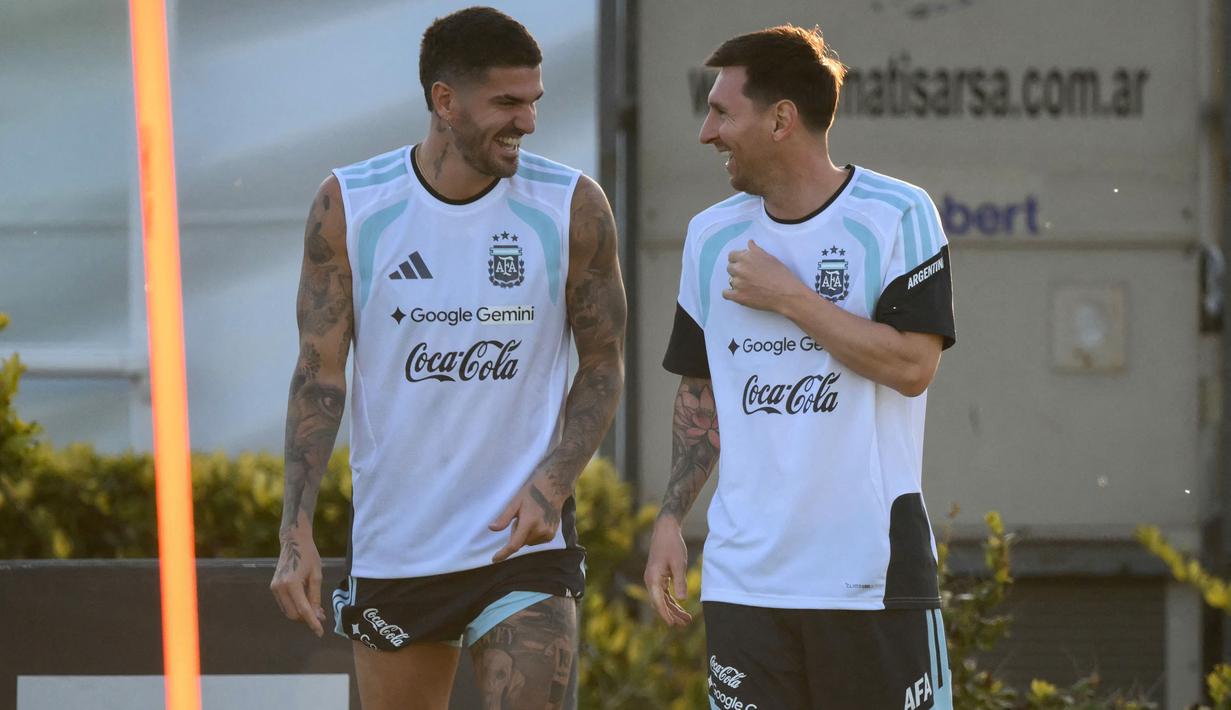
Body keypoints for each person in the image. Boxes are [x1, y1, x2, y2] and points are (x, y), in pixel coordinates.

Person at [269, 7, 625, 709]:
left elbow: (604, 363)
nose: (526, 121)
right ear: (443, 101)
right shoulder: (350, 205)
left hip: (521, 551)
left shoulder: (571, 207)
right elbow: (319, 380)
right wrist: (294, 530)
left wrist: (553, 483)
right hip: (399, 546)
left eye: (533, 102)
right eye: (506, 103)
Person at [645, 23, 957, 710]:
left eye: (722, 111)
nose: (707, 132)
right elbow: (700, 391)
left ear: (781, 119)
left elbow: (911, 366)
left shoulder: (895, 214)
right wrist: (671, 517)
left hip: (870, 578)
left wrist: (788, 296)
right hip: (744, 581)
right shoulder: (709, 236)